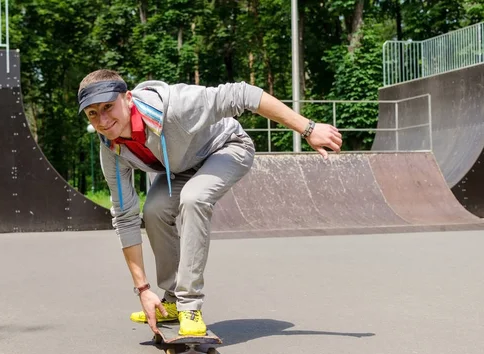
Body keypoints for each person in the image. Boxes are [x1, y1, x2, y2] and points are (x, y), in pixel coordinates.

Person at [77, 70, 342, 336]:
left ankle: (189, 305)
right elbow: (125, 217)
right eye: (92, 113)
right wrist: (143, 290)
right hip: (183, 167)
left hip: (227, 147)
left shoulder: (178, 105)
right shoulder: (111, 151)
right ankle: (171, 300)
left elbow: (243, 93)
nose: (103, 120)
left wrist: (308, 128)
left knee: (194, 198)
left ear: (128, 98)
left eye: (108, 107)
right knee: (154, 210)